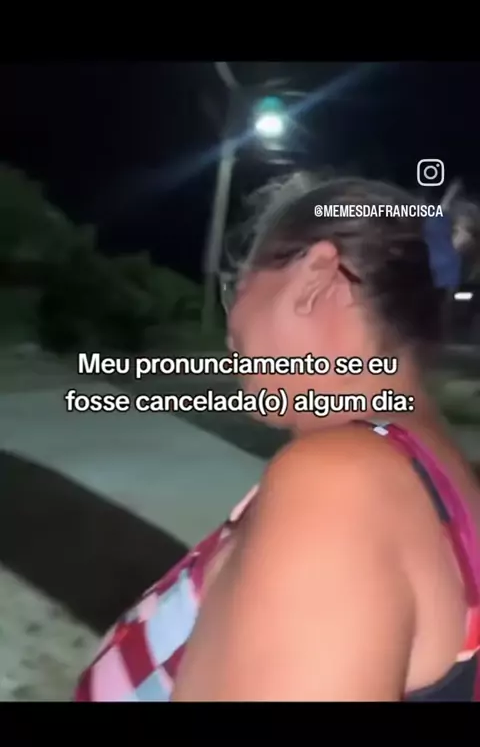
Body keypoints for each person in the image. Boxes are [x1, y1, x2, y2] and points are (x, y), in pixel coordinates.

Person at [75, 174, 480, 702]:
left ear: (315, 275)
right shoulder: (433, 478)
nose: (231, 330)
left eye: (237, 288)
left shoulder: (340, 484)